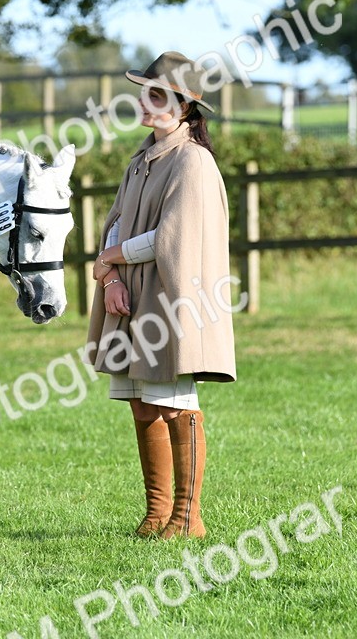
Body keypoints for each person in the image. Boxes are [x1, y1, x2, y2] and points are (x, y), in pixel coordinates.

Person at [85, 51, 237, 539]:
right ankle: (157, 513)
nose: (146, 102)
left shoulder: (192, 161)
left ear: (185, 107)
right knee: (141, 402)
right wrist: (109, 279)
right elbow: (114, 225)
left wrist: (114, 259)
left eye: (158, 95)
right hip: (129, 297)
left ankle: (189, 517)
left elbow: (172, 239)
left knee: (175, 403)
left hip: (169, 301)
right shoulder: (142, 158)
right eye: (145, 93)